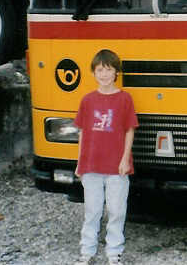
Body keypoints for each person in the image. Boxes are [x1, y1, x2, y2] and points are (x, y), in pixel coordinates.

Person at [74, 49, 138, 265]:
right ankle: (87, 251)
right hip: (91, 165)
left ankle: (114, 252)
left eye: (108, 70)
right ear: (93, 72)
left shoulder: (124, 99)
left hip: (116, 167)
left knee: (116, 210)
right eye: (100, 70)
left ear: (116, 73)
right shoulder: (87, 100)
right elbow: (83, 132)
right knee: (92, 211)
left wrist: (124, 159)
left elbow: (130, 130)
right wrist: (80, 163)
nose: (104, 74)